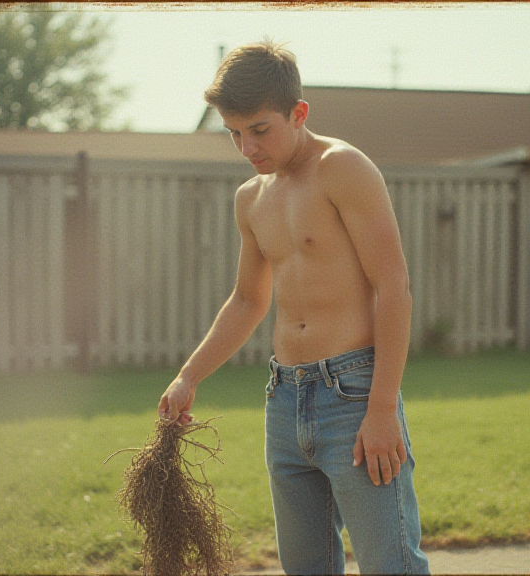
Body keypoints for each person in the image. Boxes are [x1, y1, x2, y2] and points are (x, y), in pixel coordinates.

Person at [157, 39, 430, 575]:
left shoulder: (342, 167)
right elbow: (247, 300)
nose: (247, 147)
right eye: (234, 133)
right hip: (284, 397)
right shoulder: (251, 198)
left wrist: (381, 408)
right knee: (305, 567)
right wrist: (189, 376)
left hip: (353, 393)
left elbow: (393, 285)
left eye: (260, 129)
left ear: (298, 113)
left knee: (390, 564)